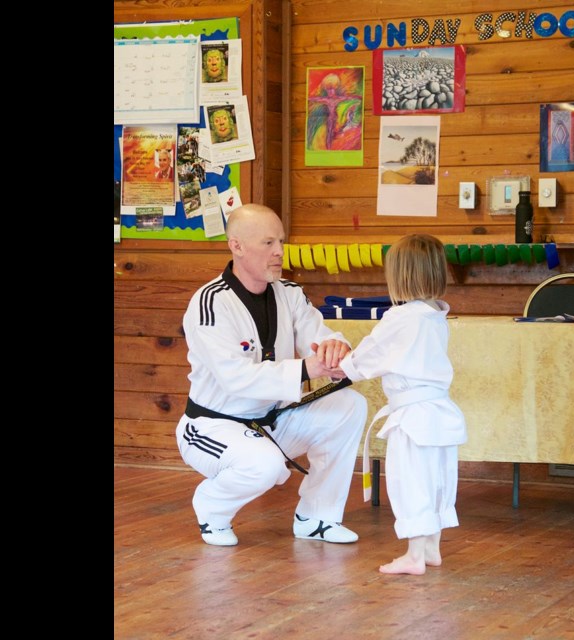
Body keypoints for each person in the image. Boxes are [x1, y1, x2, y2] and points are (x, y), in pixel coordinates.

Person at [175, 203, 368, 546]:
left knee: (348, 405)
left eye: (280, 241)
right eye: (268, 243)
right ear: (236, 246)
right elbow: (235, 378)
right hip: (214, 426)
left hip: (273, 419)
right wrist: (310, 368)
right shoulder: (210, 303)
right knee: (264, 465)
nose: (279, 252)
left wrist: (335, 351)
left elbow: (318, 336)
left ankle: (317, 516)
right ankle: (211, 506)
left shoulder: (289, 293)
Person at [333, 234, 467, 575]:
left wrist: (343, 369)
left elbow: (369, 354)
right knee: (436, 480)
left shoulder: (401, 317)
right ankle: (431, 548)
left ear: (400, 275)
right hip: (440, 414)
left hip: (413, 417)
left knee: (410, 481)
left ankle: (413, 557)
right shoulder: (435, 314)